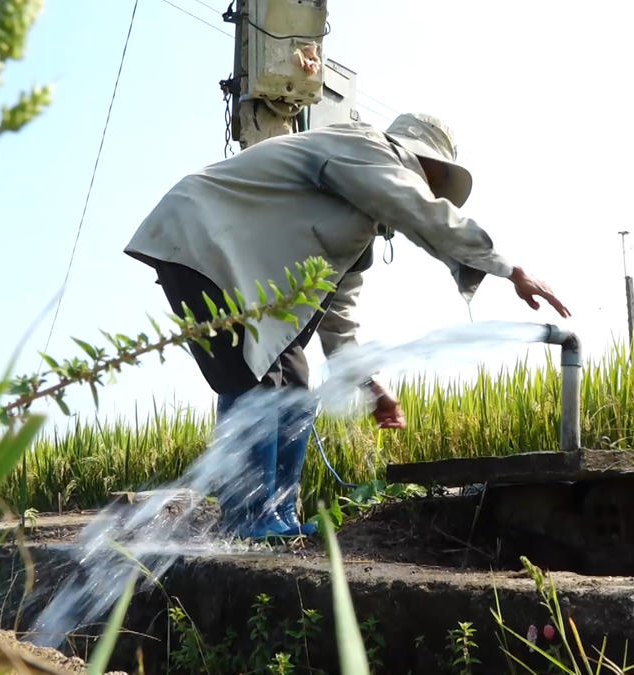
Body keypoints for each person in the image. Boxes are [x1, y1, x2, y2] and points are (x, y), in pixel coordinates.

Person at [124, 112, 570, 539]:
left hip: (249, 275)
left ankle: (278, 515)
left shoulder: (358, 221)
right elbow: (417, 207)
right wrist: (510, 270)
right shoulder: (367, 148)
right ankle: (249, 519)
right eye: (434, 184)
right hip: (201, 239)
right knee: (254, 378)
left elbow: (337, 315)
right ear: (425, 164)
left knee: (295, 384)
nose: (432, 194)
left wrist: (371, 384)